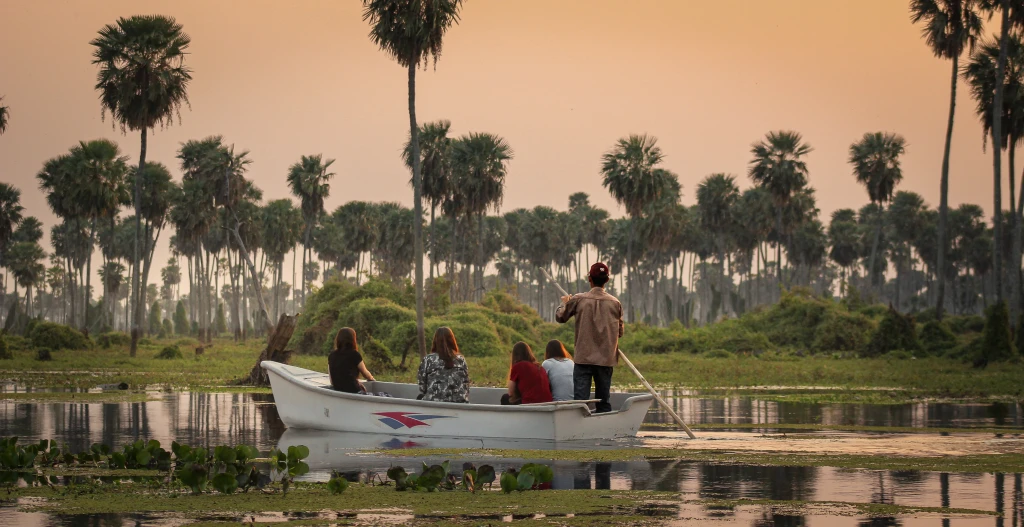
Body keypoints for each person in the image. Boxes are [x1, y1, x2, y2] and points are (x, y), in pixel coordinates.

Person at [554, 262, 623, 413]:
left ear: (589, 279)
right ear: (607, 280)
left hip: (583, 359)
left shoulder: (579, 299)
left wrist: (564, 303)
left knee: (580, 402)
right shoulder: (615, 303)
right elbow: (620, 332)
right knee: (604, 401)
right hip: (605, 360)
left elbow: (561, 317)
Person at [417, 327, 471, 403]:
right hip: (459, 403)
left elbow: (422, 387)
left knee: (420, 397)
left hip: (433, 403)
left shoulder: (428, 359)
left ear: (435, 341)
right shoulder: (461, 359)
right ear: (452, 341)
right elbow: (466, 386)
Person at [328, 327, 375, 393]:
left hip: (338, 390)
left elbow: (331, 380)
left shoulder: (332, 355)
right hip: (353, 390)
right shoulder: (354, 354)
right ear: (353, 339)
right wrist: (372, 378)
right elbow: (365, 373)